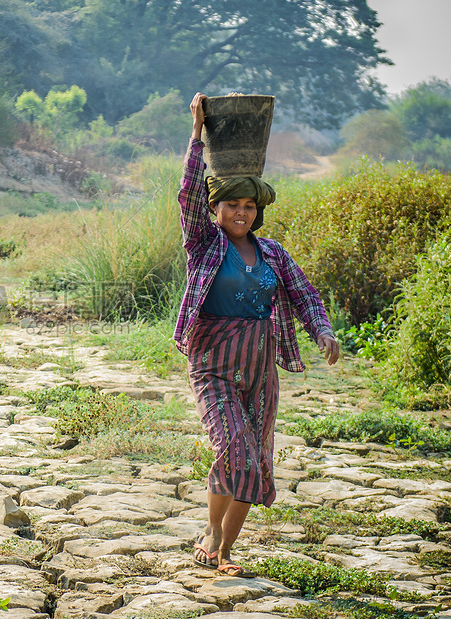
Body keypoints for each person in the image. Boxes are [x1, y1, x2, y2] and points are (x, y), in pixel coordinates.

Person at [174, 92, 340, 578]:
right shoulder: (204, 245)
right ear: (217, 208)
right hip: (213, 366)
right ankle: (211, 533)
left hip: (260, 369)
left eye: (250, 205)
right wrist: (197, 135)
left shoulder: (272, 253)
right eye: (232, 204)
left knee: (255, 460)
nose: (242, 212)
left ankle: (223, 549)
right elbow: (187, 194)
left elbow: (305, 294)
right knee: (235, 449)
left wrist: (322, 330)